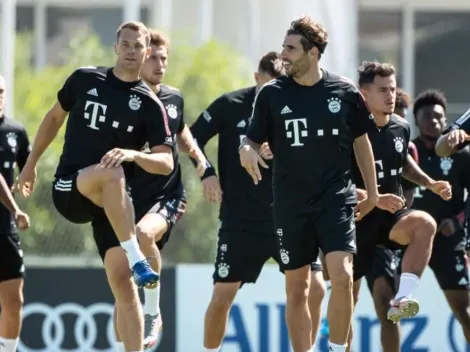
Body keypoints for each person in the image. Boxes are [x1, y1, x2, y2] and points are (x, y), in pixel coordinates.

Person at [16, 21, 174, 352]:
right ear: (116, 47)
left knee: (125, 287)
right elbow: (53, 119)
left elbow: (167, 163)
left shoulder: (149, 104)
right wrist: (29, 166)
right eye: (126, 44)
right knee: (113, 172)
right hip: (70, 188)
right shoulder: (85, 79)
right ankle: (137, 257)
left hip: (111, 205)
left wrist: (134, 154)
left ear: (146, 53)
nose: (132, 51)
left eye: (138, 46)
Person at [240, 16, 380, 352]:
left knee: (343, 276)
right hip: (291, 204)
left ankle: (334, 348)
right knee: (298, 288)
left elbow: (362, 143)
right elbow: (251, 140)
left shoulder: (344, 92)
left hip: (336, 199)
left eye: (290, 49)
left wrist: (373, 193)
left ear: (313, 53)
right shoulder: (272, 95)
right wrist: (246, 151)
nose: (283, 55)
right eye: (283, 47)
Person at [192, 51, 326, 352]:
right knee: (222, 297)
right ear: (256, 79)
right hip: (241, 221)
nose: (277, 93)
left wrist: (281, 150)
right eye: (270, 85)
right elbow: (190, 137)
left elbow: (316, 155)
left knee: (315, 289)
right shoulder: (230, 106)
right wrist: (206, 173)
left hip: (289, 219)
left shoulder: (294, 108)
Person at [112, 30, 207, 351]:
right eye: (153, 57)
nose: (159, 63)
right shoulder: (125, 98)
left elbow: (182, 133)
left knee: (142, 234)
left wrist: (200, 161)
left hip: (167, 195)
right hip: (129, 197)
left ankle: (153, 310)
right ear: (138, 58)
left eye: (163, 58)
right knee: (121, 300)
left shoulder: (173, 97)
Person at [349, 63, 451, 352]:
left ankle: (402, 299)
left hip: (390, 221)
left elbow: (403, 162)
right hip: (353, 220)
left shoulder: (400, 127)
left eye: (392, 88)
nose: (390, 95)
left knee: (425, 224)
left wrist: (431, 183)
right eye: (382, 90)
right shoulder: (347, 129)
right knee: (347, 302)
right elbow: (333, 183)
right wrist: (373, 197)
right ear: (364, 94)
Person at [411, 90, 470, 342]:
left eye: (438, 117)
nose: (433, 122)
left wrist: (457, 223)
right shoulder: (407, 152)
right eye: (427, 116)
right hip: (411, 242)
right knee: (390, 305)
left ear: (446, 121)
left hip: (448, 241)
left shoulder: (461, 156)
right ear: (416, 119)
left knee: (464, 311)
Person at [363, 87, 416, 352]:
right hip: (353, 223)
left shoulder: (406, 146)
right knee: (341, 298)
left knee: (387, 306)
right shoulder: (358, 134)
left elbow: (406, 196)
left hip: (386, 233)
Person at [0, 75, 31, 352]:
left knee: (14, 298)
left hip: (4, 228)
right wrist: (17, 208)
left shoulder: (15, 130)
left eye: (0, 92)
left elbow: (27, 164)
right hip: (11, 213)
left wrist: (26, 178)